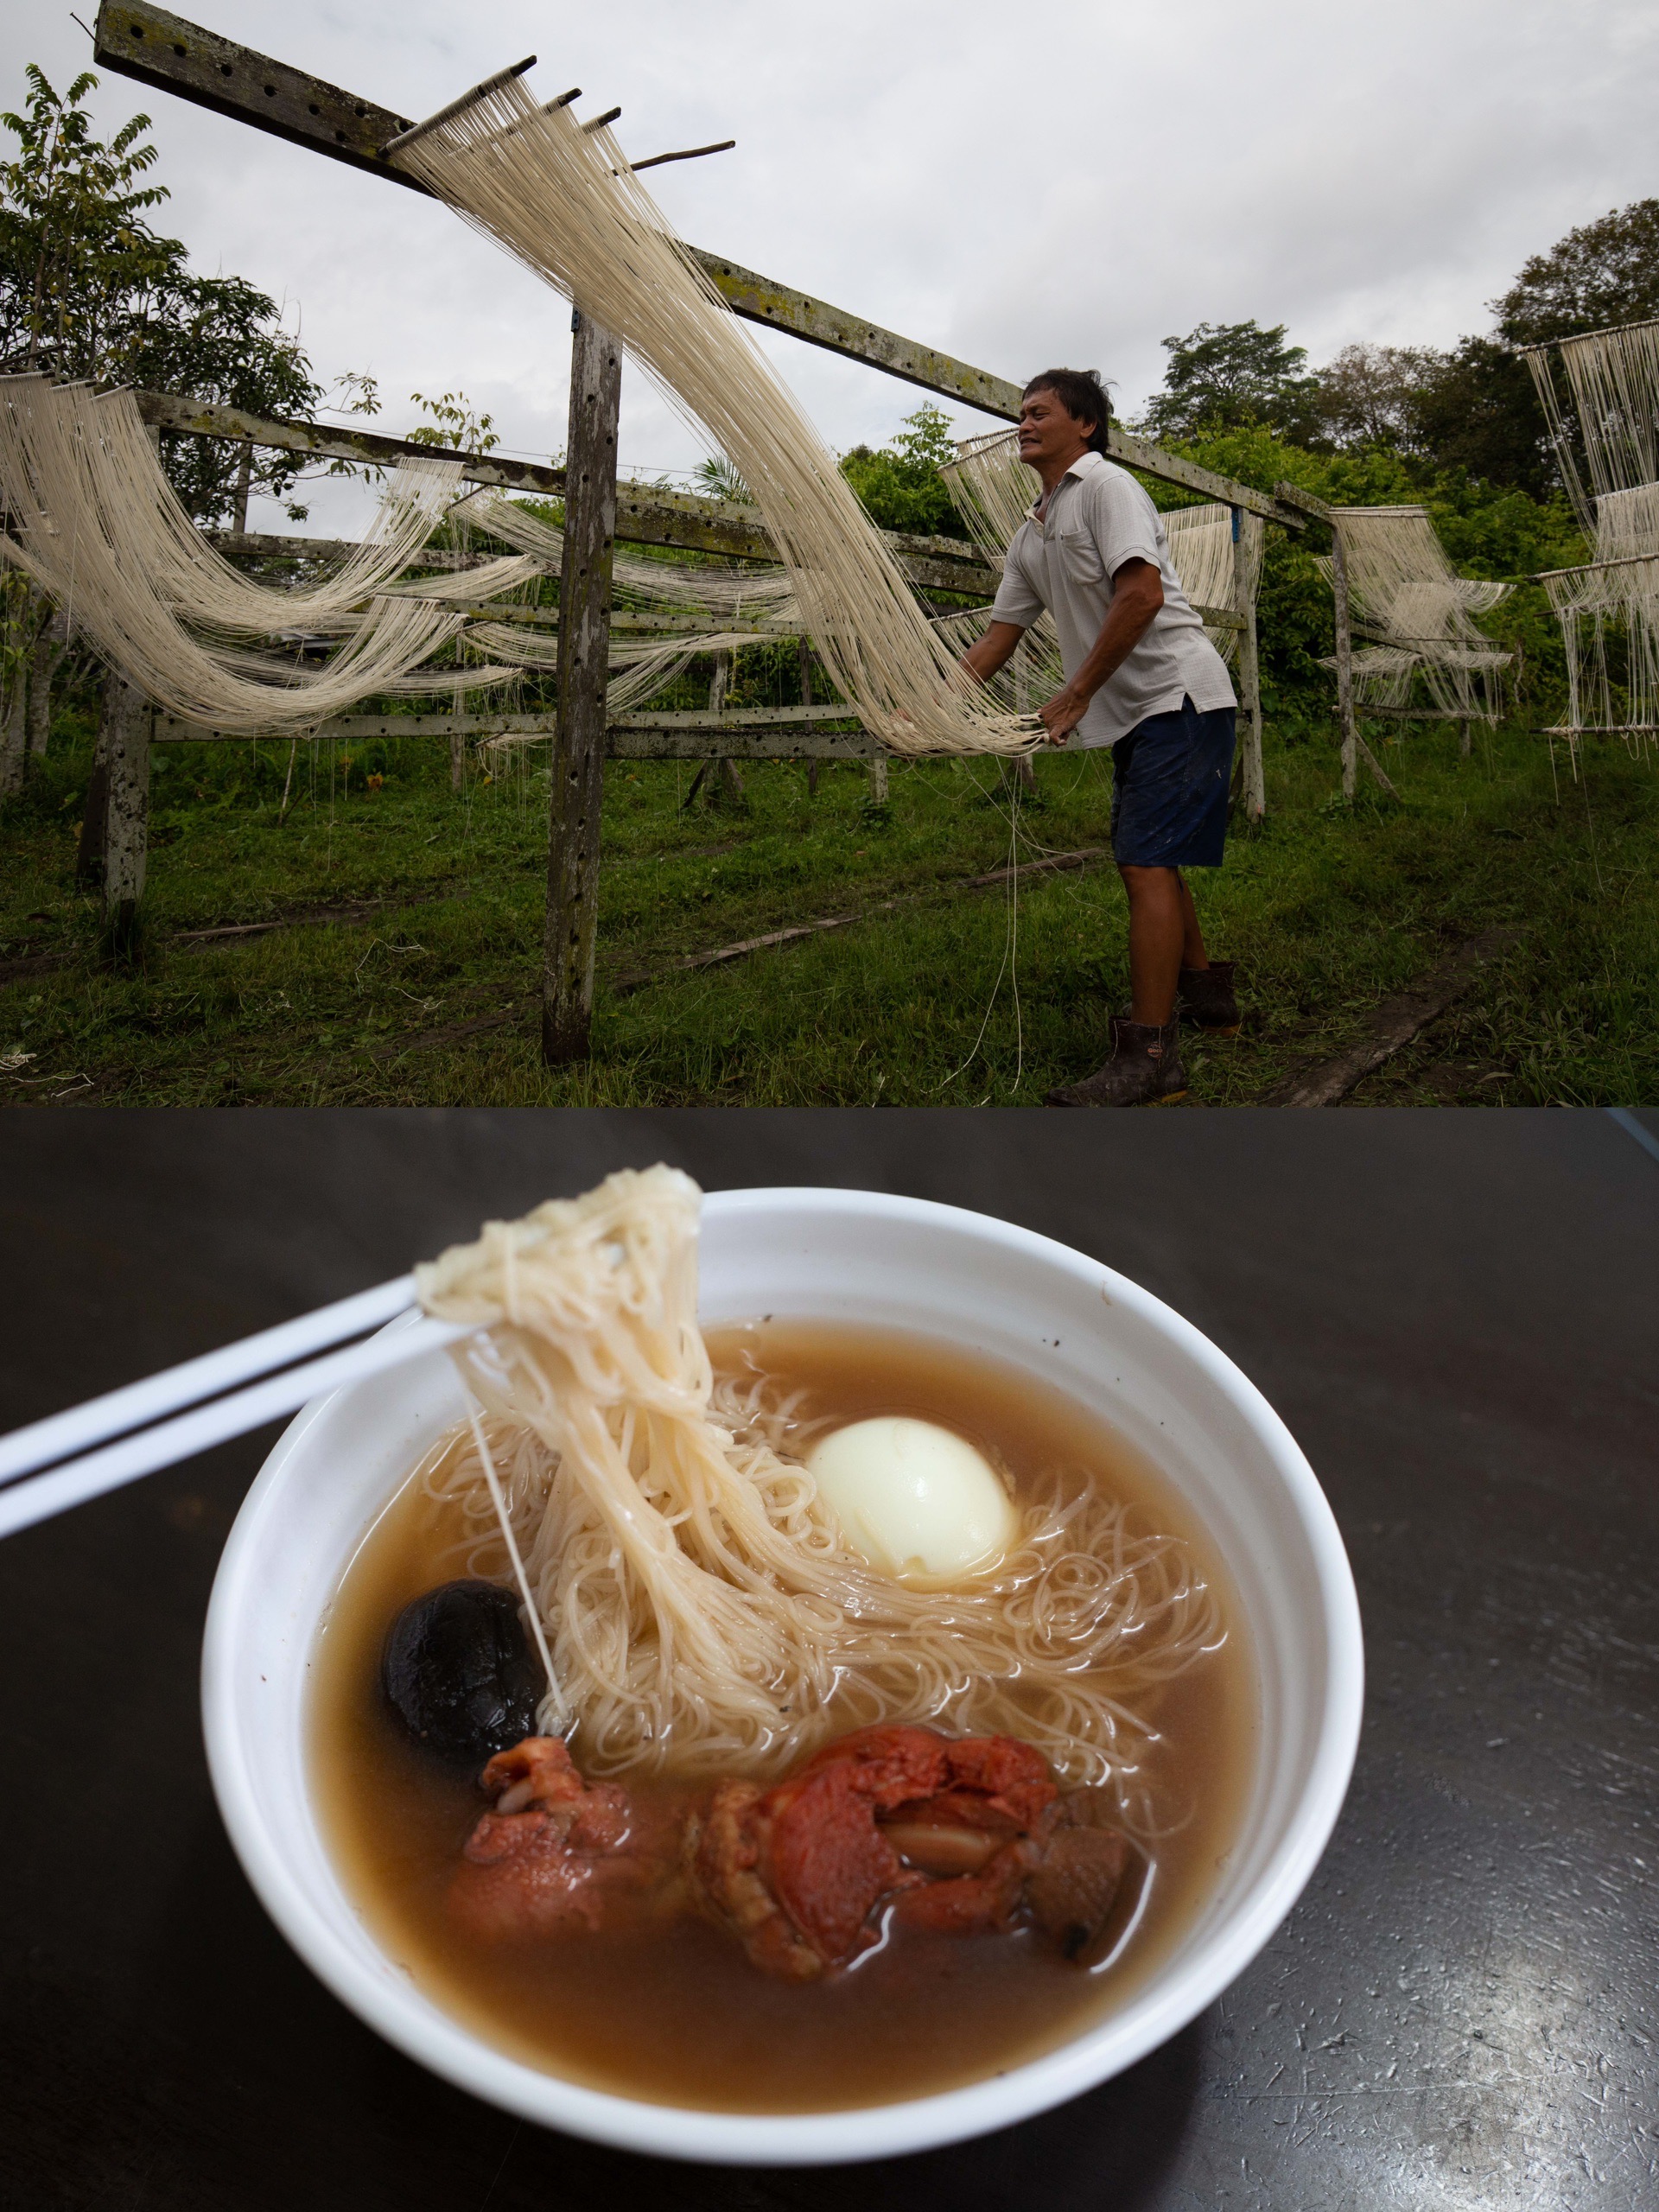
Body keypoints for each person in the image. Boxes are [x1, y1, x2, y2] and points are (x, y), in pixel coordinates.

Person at [960, 368, 1242, 1107]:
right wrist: (928, 707)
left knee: (1145, 863)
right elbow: (997, 641)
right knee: (1157, 855)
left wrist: (1078, 691)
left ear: (1084, 425)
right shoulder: (1032, 532)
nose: (1023, 424)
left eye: (1038, 412)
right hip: (1141, 712)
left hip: (1180, 697)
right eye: (1019, 414)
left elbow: (1142, 594)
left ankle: (1151, 1059)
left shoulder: (1107, 489)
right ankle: (1209, 999)